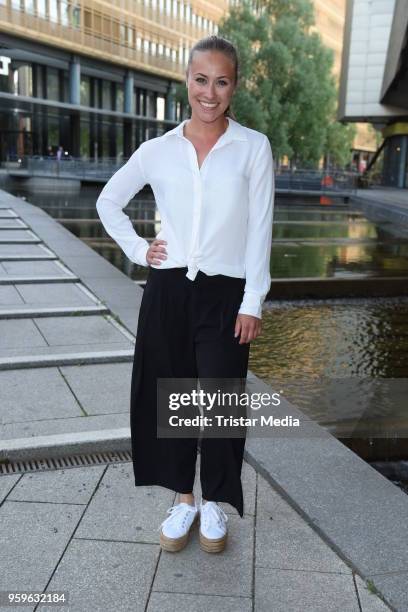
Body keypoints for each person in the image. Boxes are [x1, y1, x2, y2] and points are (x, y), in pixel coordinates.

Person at [96, 35, 275, 554]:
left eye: (221, 82)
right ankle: (183, 500)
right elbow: (110, 202)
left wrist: (252, 300)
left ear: (233, 86)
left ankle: (216, 501)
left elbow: (261, 228)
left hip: (227, 294)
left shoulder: (253, 147)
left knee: (220, 399)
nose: (210, 92)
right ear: (187, 80)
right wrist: (137, 249)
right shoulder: (157, 150)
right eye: (201, 79)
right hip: (169, 288)